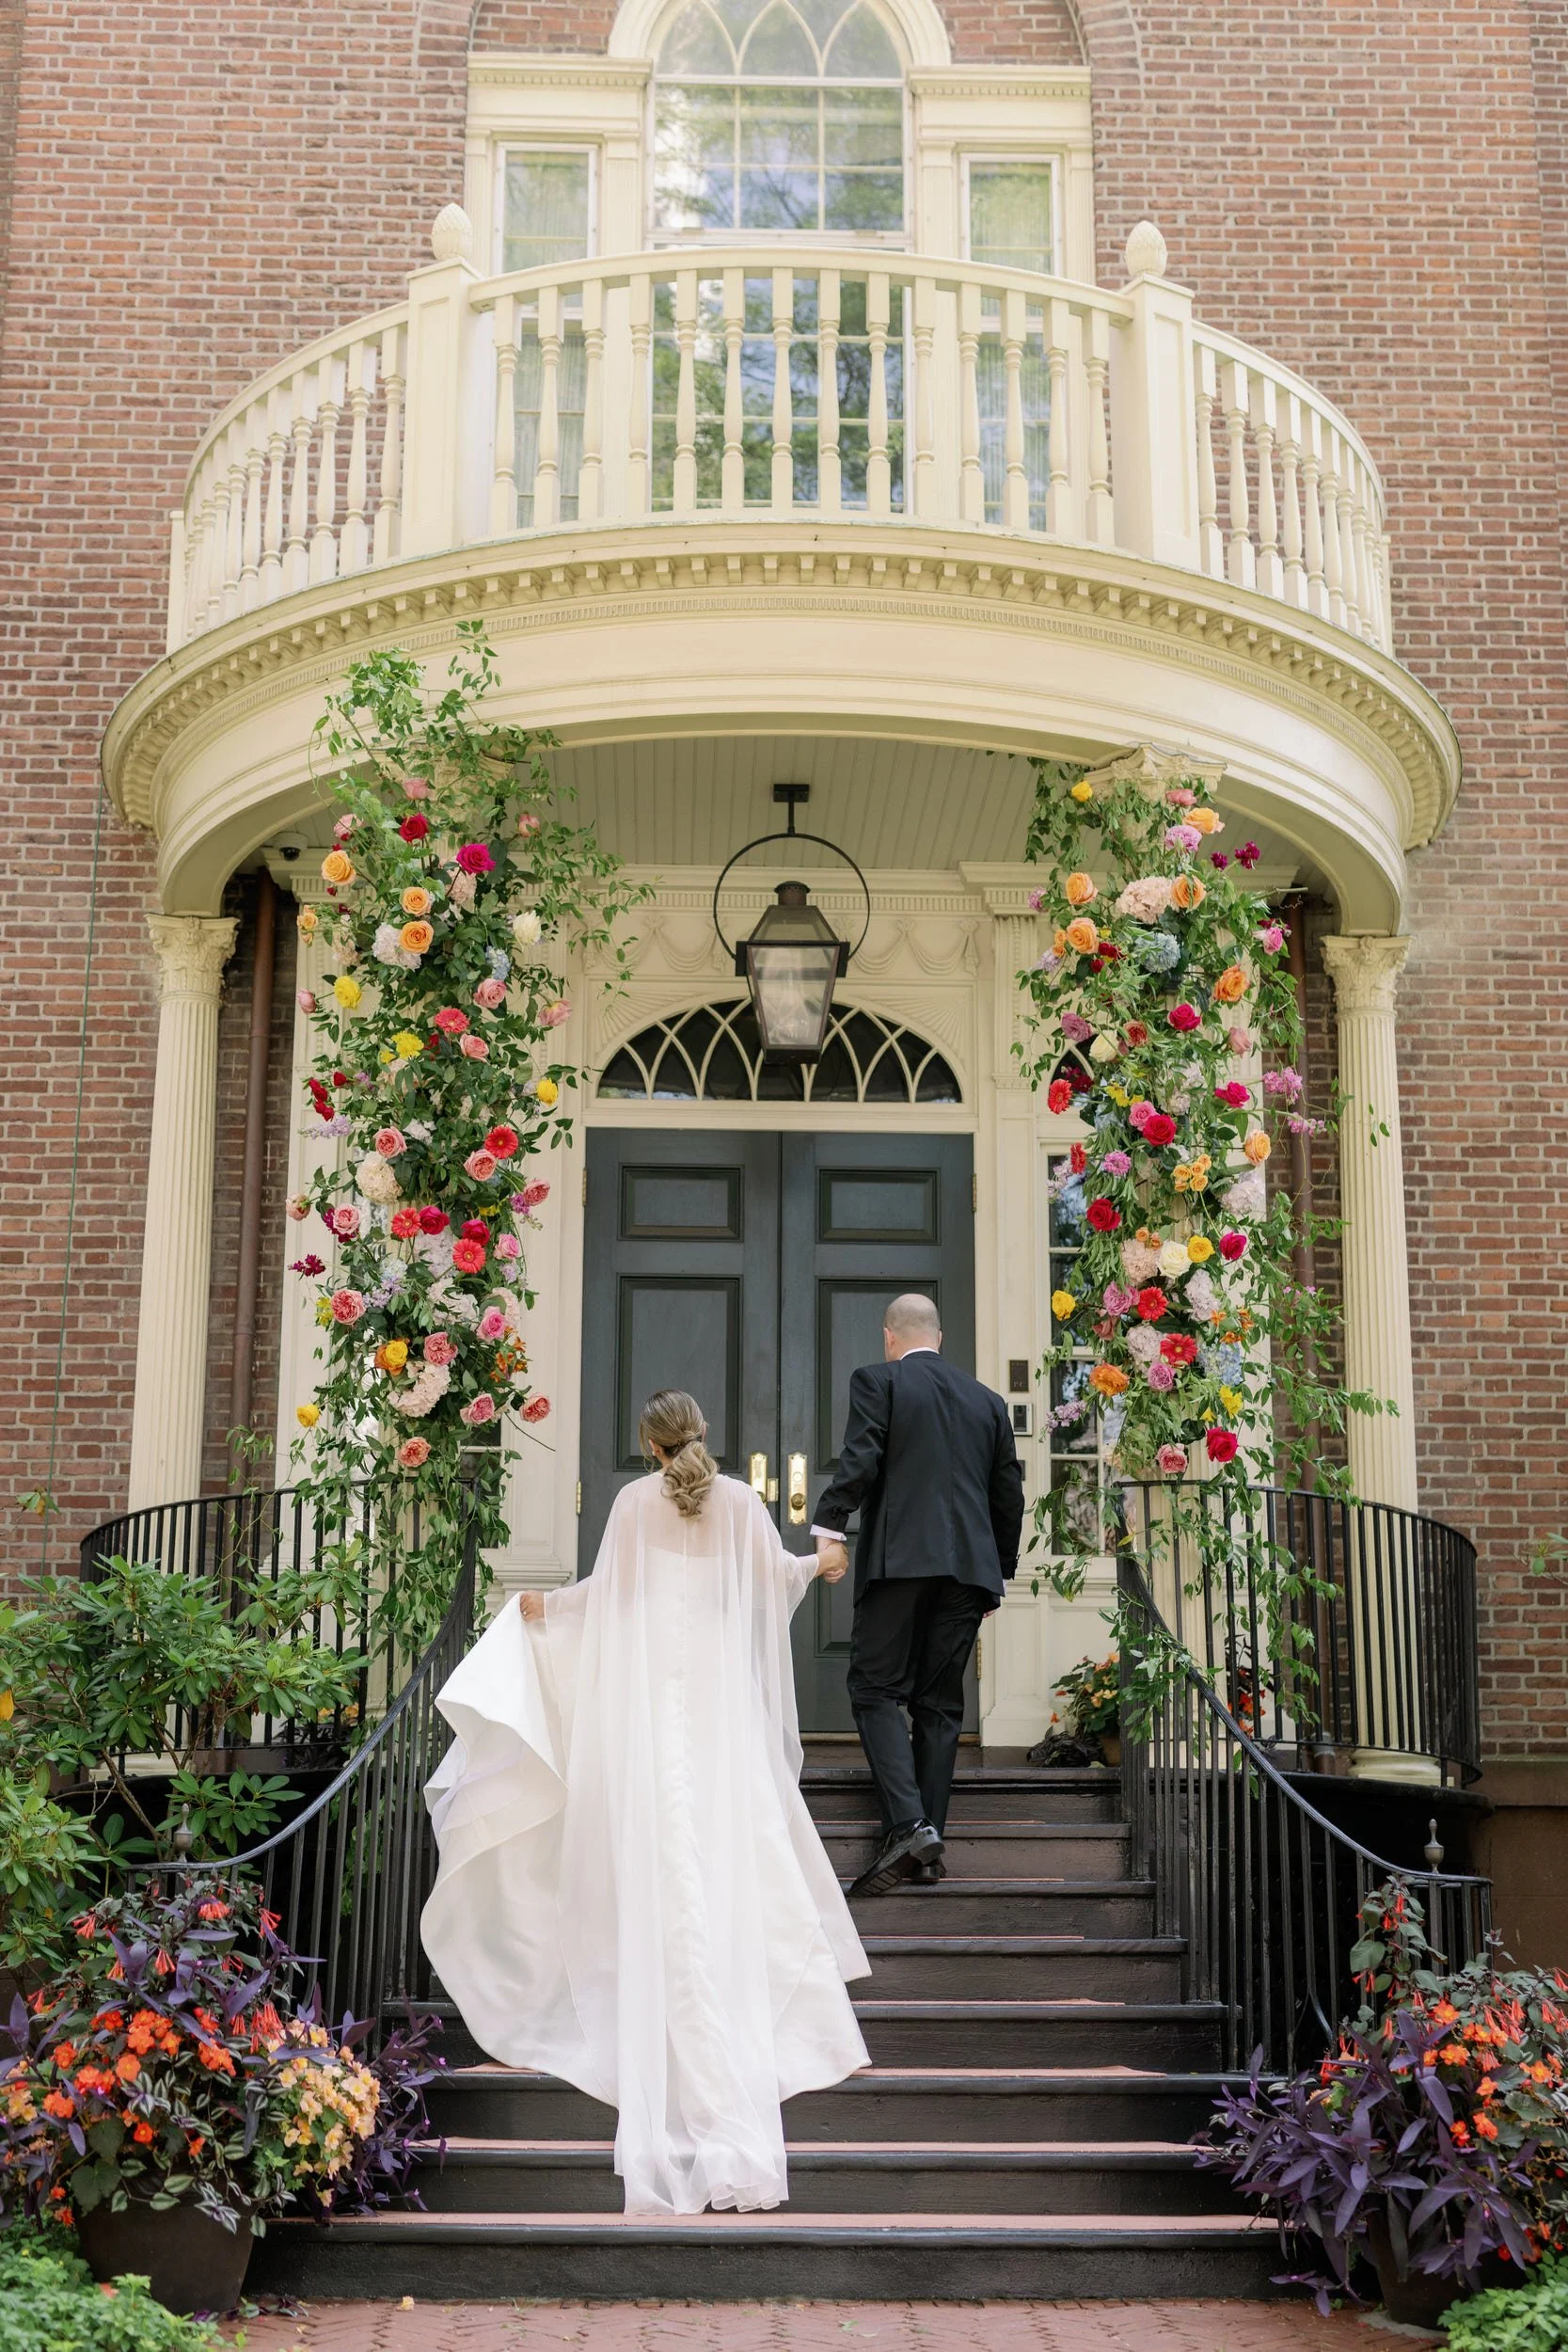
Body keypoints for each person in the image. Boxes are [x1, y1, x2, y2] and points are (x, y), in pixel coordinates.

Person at [420, 1389, 870, 2217]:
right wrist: (820, 1564)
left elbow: (606, 1595)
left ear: (649, 1445)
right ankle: (727, 1996)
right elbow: (774, 1583)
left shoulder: (632, 1502)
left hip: (654, 1712)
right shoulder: (740, 1503)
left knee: (661, 1844)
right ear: (702, 1435)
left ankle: (659, 1978)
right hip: (720, 1709)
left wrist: (542, 1608)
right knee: (724, 1845)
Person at [811, 1294, 1025, 1896]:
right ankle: (929, 1852)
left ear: (889, 1338)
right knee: (939, 1704)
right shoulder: (987, 1402)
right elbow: (1008, 1496)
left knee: (874, 1687)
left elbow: (862, 1457)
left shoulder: (879, 1381)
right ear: (941, 1336)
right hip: (969, 1574)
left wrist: (829, 1526)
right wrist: (996, 1574)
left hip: (901, 1561)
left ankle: (909, 1826)